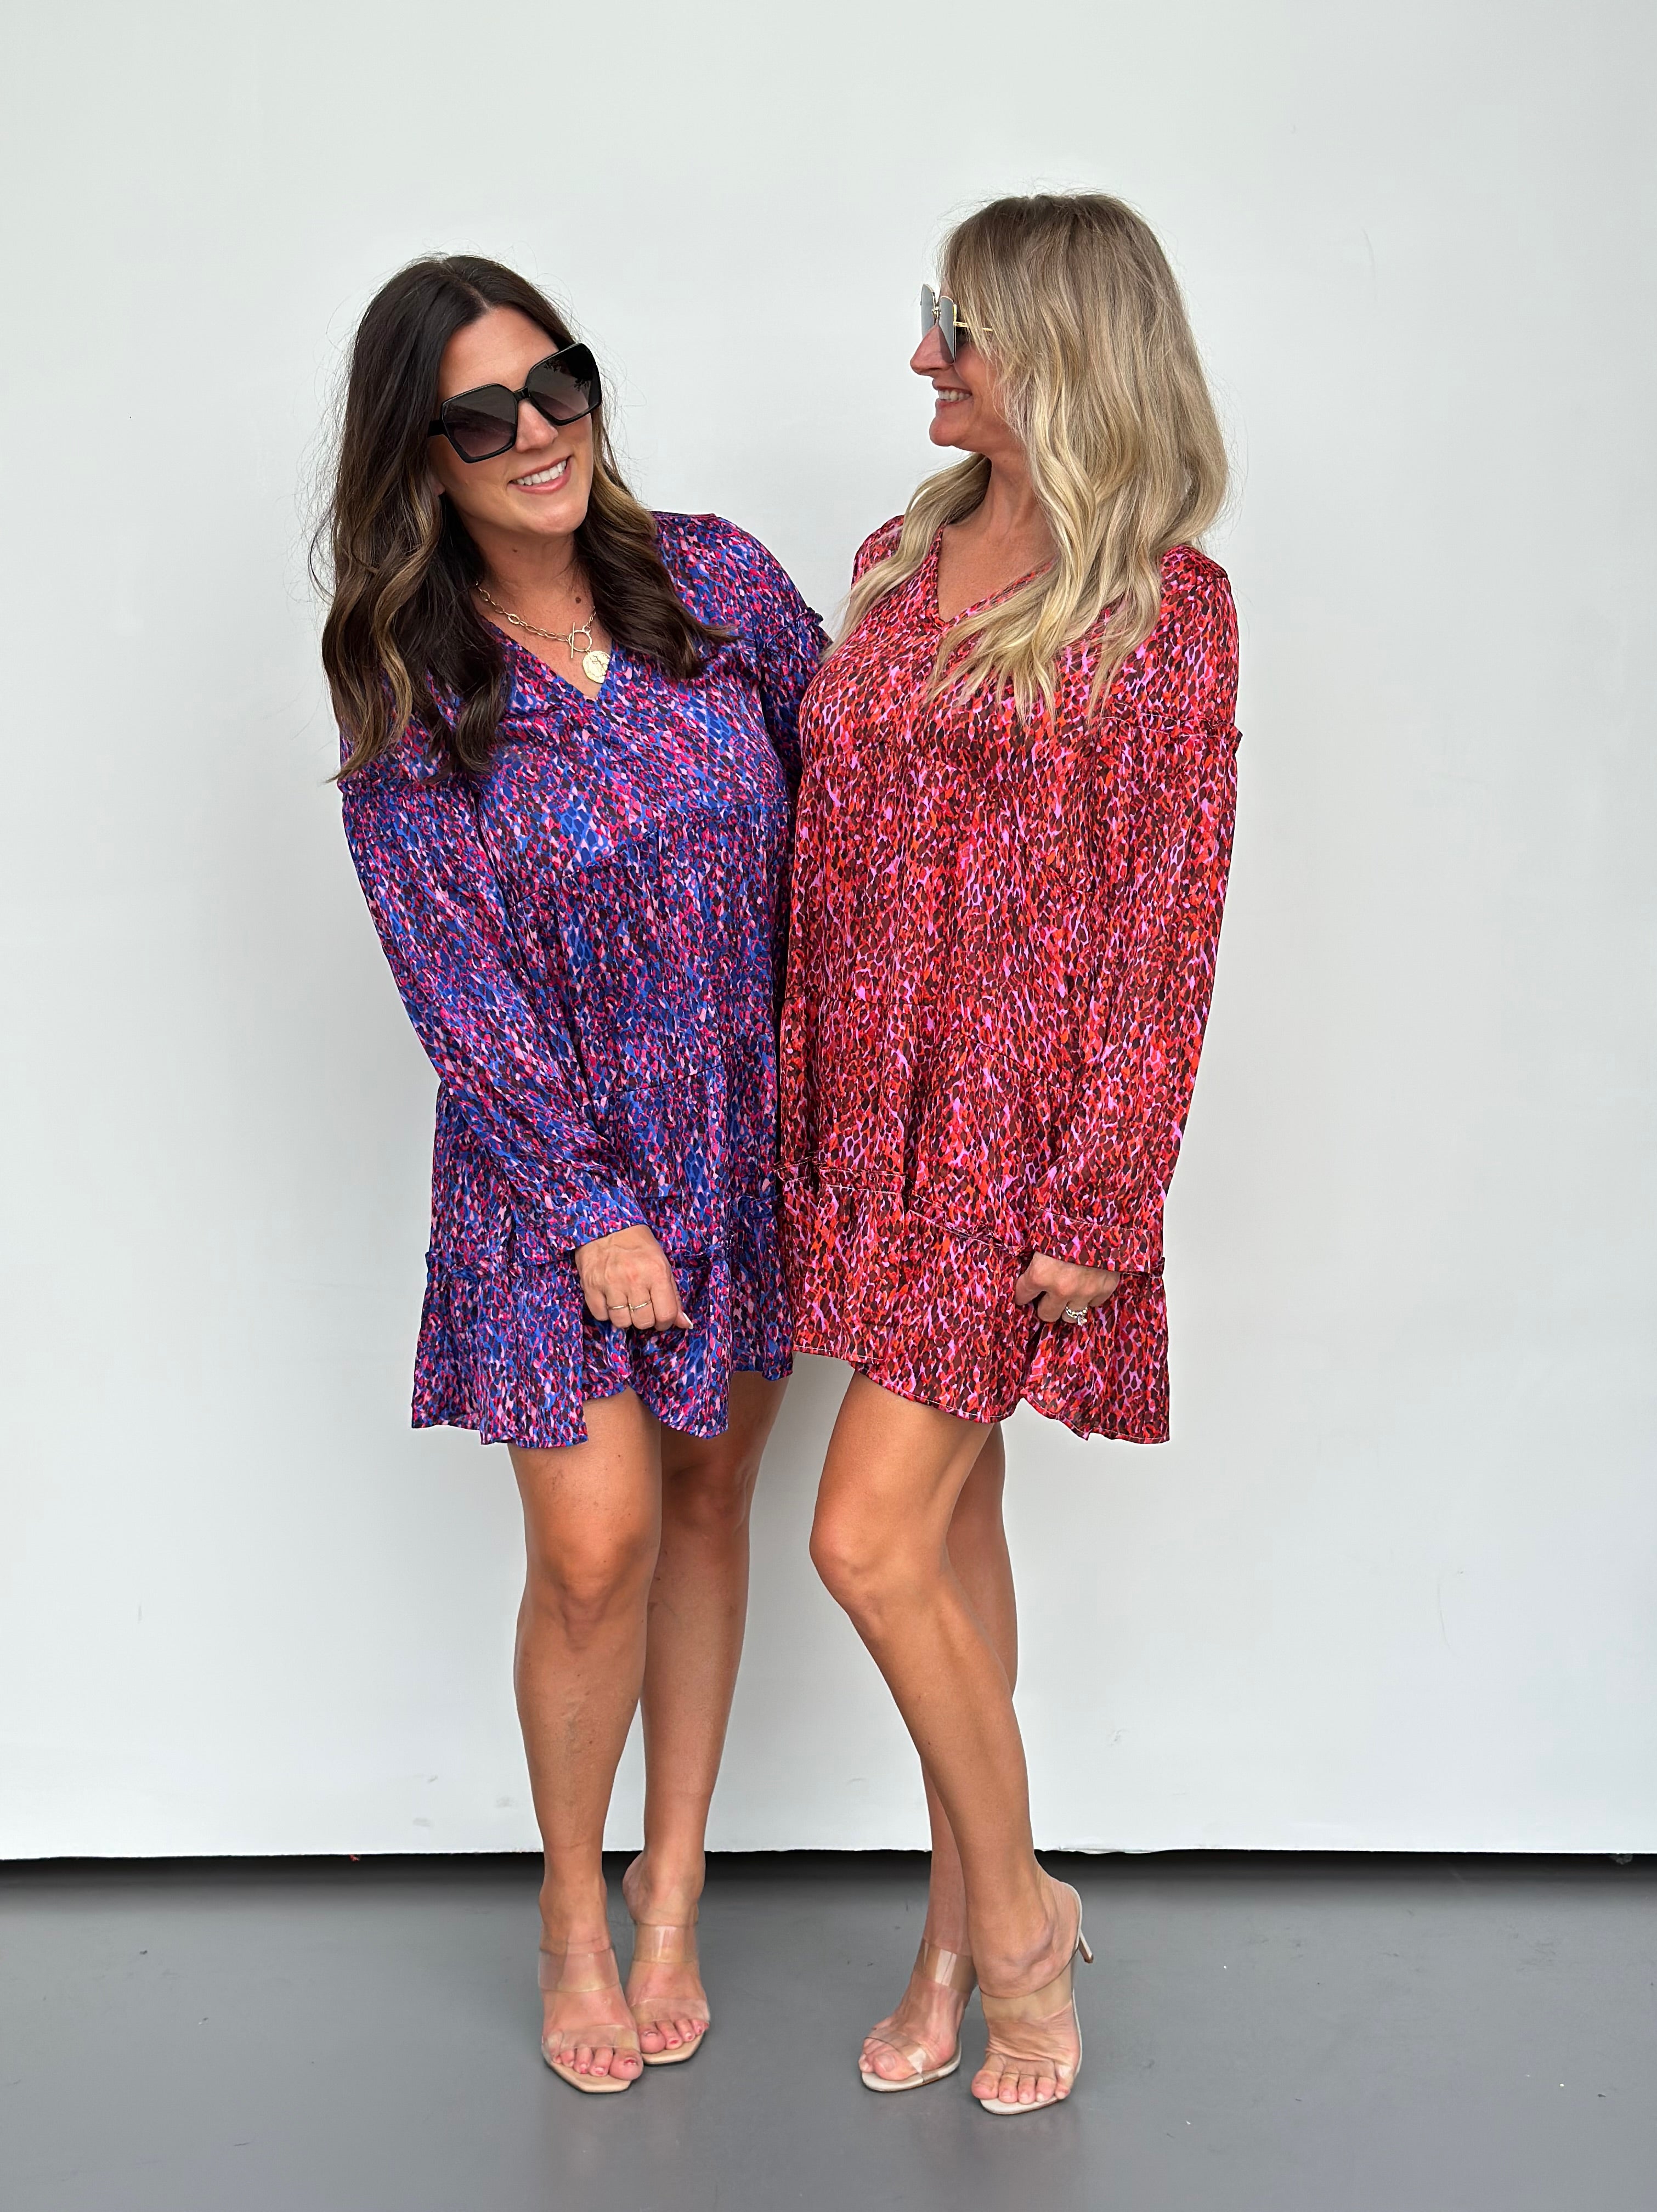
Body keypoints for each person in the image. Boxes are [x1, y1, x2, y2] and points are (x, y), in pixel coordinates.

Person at [320, 255, 823, 2094]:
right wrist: (594, 1206)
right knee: (595, 1548)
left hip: (744, 1140)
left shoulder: (721, 582)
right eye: (482, 417)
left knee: (710, 1498)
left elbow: (852, 823)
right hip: (548, 1176)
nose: (538, 434)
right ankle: (569, 1910)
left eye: (560, 386)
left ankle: (670, 1896)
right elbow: (448, 974)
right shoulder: (411, 679)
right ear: (421, 459)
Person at [779, 193, 1238, 2115]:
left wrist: (1106, 1193)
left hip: (1012, 1144)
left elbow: (1167, 912)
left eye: (954, 327)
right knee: (952, 1545)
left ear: (1059, 348)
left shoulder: (1169, 609)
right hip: (867, 1122)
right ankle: (957, 1933)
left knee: (864, 1539)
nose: (922, 357)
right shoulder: (898, 557)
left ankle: (1028, 1937)